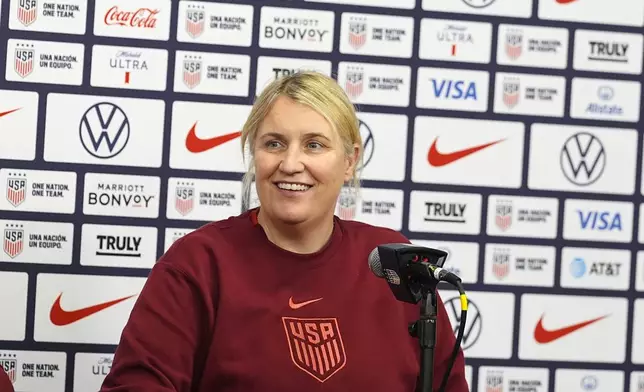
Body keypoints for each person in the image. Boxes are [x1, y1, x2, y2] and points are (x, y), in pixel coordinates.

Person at [99, 71, 469, 391]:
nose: (291, 164)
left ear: (350, 160)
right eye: (273, 143)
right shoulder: (198, 264)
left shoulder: (394, 263)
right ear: (253, 153)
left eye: (314, 145)